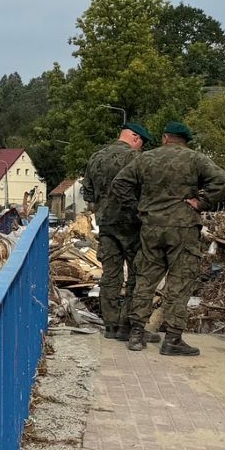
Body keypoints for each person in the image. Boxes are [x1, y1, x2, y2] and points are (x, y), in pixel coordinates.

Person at [111, 121, 225, 355]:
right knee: (180, 281)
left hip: (151, 227)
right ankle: (173, 339)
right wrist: (202, 202)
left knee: (146, 279)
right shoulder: (195, 159)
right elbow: (223, 182)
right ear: (185, 140)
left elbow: (120, 183)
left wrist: (138, 208)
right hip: (183, 227)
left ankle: (136, 334)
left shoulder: (146, 158)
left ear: (165, 137)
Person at [81, 122, 151, 340]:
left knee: (110, 274)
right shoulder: (137, 159)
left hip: (106, 224)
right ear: (136, 138)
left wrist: (103, 208)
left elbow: (89, 196)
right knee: (136, 274)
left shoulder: (96, 158)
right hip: (132, 224)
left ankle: (110, 325)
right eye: (141, 143)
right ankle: (126, 324)